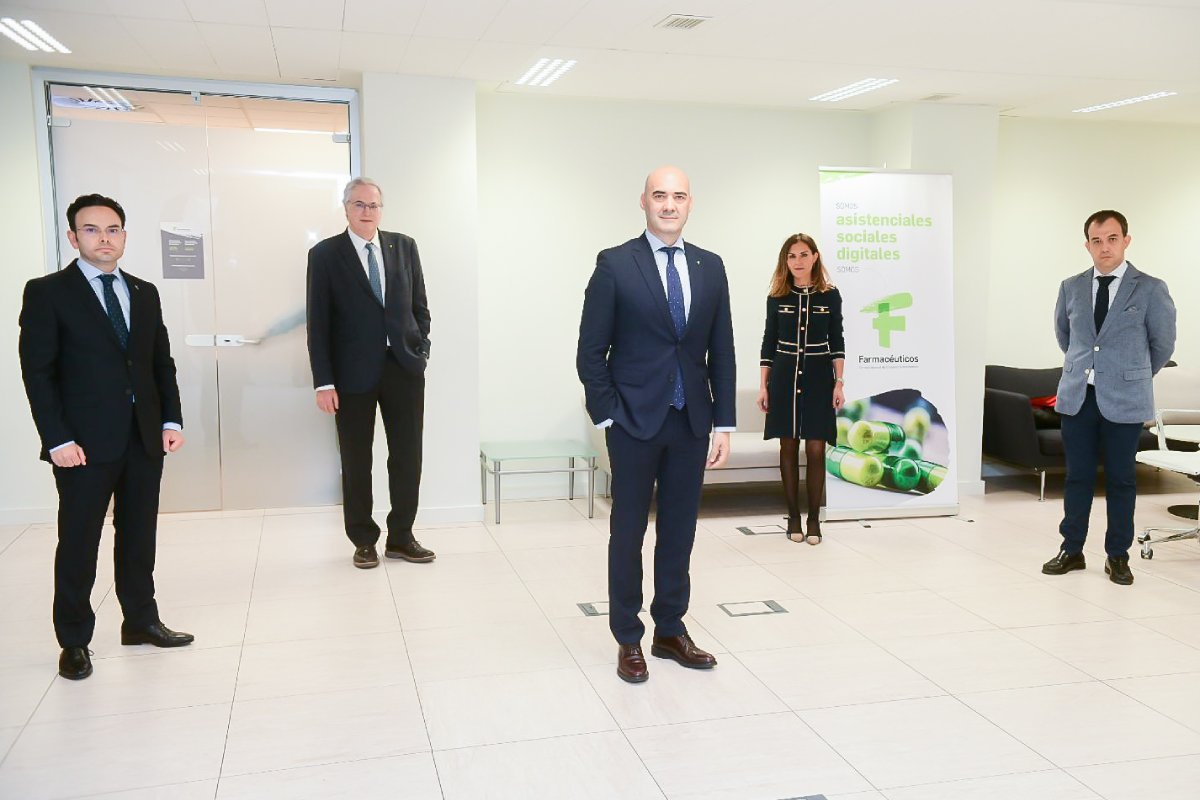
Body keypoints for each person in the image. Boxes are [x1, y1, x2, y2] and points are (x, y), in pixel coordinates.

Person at [19, 193, 193, 681]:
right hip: (82, 444)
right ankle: (74, 640)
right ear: (73, 237)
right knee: (79, 541)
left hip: (143, 438)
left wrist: (171, 420)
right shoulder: (48, 292)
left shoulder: (143, 292)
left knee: (138, 535)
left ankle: (140, 620)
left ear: (124, 235)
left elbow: (159, 363)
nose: (104, 238)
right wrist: (56, 439)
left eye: (112, 229)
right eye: (91, 230)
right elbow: (38, 373)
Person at [577, 166, 735, 684]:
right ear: (643, 201)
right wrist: (608, 414)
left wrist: (724, 423)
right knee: (627, 531)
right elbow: (590, 351)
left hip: (691, 422)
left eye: (679, 196)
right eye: (660, 195)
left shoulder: (711, 267)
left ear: (691, 204)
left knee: (679, 530)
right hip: (632, 422)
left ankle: (670, 630)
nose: (669, 205)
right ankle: (628, 636)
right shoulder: (615, 264)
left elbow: (722, 350)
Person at [307, 178, 436, 569]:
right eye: (359, 204)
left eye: (373, 205)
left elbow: (420, 307)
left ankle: (401, 537)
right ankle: (363, 540)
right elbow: (318, 323)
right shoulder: (326, 254)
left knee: (407, 457)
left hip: (403, 369)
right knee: (356, 460)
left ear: (382, 209)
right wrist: (324, 381)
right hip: (351, 376)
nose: (367, 211)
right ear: (346, 208)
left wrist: (420, 350)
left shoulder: (404, 246)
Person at [1042, 210, 1176, 585]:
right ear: (1087, 245)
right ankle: (1072, 549)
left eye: (1112, 239)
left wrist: (1130, 375)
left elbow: (1162, 345)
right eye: (1097, 240)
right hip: (1078, 398)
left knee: (1121, 480)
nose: (1105, 247)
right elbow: (1066, 336)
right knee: (1077, 478)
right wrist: (1090, 370)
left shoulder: (1150, 288)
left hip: (1126, 399)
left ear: (1126, 241)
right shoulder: (1071, 287)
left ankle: (1118, 555)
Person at [757, 233, 845, 544]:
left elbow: (837, 341)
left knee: (817, 449)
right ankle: (793, 516)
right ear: (786, 260)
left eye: (804, 254)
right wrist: (763, 386)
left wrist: (839, 382)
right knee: (788, 446)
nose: (798, 261)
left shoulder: (830, 296)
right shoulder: (777, 297)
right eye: (792, 256)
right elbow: (768, 343)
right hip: (784, 379)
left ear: (815, 257)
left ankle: (814, 519)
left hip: (819, 379)